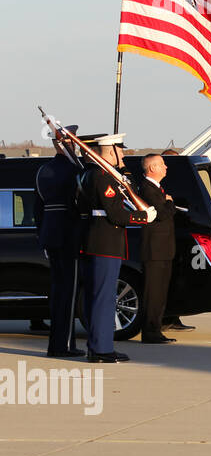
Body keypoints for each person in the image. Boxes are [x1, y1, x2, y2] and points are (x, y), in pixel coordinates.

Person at [80, 134, 154, 363]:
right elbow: (114, 213)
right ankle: (101, 349)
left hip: (102, 241)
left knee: (101, 296)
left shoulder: (99, 174)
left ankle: (98, 346)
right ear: (109, 151)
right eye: (119, 151)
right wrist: (142, 216)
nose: (122, 154)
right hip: (105, 242)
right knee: (104, 298)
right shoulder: (101, 177)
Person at [33, 128, 84, 358]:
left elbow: (38, 209)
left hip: (50, 235)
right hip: (68, 234)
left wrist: (42, 235)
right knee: (69, 292)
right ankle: (62, 346)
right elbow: (79, 205)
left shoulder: (43, 170)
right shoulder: (74, 170)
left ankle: (59, 343)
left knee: (57, 291)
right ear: (67, 144)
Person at [137, 154, 177, 344]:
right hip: (154, 249)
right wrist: (169, 202)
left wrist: (168, 203)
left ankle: (156, 328)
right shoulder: (147, 189)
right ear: (152, 168)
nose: (166, 167)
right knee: (153, 292)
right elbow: (162, 214)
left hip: (163, 249)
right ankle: (150, 331)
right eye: (162, 164)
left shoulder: (156, 189)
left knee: (160, 291)